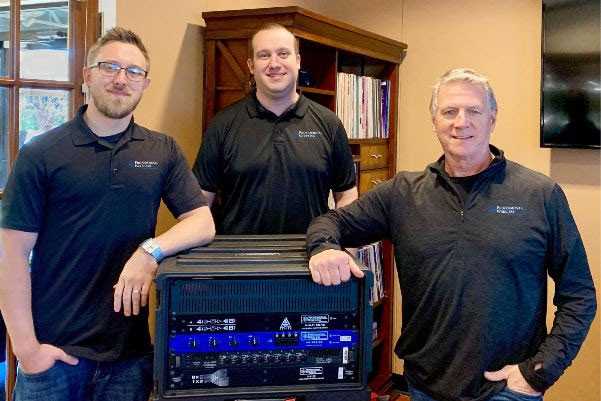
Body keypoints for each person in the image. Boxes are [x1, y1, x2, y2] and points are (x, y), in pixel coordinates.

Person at [306, 68, 597, 401]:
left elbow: (580, 295)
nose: (461, 122)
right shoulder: (402, 193)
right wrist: (324, 248)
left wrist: (540, 371)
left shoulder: (540, 194)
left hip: (507, 389)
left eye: (473, 111)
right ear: (434, 121)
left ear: (492, 118)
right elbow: (330, 222)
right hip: (424, 386)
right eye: (449, 112)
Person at [0, 27, 215, 401]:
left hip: (128, 359)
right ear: (87, 76)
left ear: (145, 83)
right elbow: (10, 254)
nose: (121, 79)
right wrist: (27, 350)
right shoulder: (43, 153)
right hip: (56, 358)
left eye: (133, 72)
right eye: (109, 67)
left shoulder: (161, 150)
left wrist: (150, 252)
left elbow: (202, 222)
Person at [193, 23, 357, 234]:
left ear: (297, 61)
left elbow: (346, 194)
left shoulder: (329, 123)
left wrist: (343, 250)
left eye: (283, 53)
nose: (274, 63)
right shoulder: (222, 124)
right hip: (240, 259)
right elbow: (199, 203)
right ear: (251, 66)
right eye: (264, 55)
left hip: (312, 256)